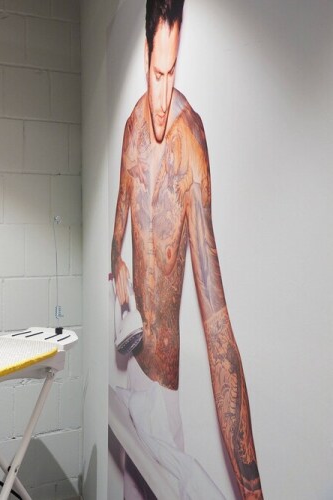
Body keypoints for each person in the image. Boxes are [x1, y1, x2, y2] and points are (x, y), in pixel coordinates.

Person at [110, 0, 263, 498]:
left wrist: (253, 492)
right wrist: (118, 265)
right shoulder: (131, 129)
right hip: (132, 367)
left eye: (172, 72)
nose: (162, 95)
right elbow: (117, 229)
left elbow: (218, 329)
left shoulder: (190, 141)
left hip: (163, 384)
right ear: (144, 58)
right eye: (157, 73)